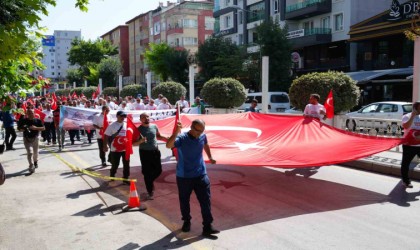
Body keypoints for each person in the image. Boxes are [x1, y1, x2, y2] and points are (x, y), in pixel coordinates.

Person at [166, 119, 219, 237]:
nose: (200, 133)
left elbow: (205, 144)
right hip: (184, 176)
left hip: (201, 174)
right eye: (198, 131)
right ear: (191, 128)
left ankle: (207, 226)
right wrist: (176, 132)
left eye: (202, 131)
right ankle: (186, 221)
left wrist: (210, 157)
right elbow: (168, 145)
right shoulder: (182, 138)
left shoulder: (202, 136)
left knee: (206, 200)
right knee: (184, 201)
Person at [134, 113, 169, 199]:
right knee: (147, 173)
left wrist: (168, 139)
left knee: (158, 170)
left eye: (147, 116)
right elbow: (133, 143)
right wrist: (140, 141)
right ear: (140, 119)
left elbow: (159, 136)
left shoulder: (154, 126)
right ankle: (149, 191)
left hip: (155, 151)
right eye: (144, 117)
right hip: (144, 153)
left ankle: (150, 181)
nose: (146, 118)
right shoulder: (138, 130)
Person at [103, 110, 130, 184]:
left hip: (125, 148)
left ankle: (125, 178)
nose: (123, 117)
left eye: (124, 116)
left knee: (126, 164)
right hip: (115, 149)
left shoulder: (126, 124)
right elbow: (106, 136)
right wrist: (105, 146)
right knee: (115, 164)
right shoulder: (112, 125)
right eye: (121, 116)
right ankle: (112, 174)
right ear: (117, 116)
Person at [17, 108, 45, 173]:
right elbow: (19, 128)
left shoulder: (37, 120)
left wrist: (36, 128)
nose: (31, 114)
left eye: (32, 113)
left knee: (35, 152)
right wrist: (21, 129)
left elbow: (43, 128)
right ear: (26, 114)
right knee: (30, 152)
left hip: (35, 138)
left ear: (34, 113)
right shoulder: (23, 120)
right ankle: (31, 165)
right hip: (26, 138)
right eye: (29, 113)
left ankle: (35, 161)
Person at [400, 101, 420, 188]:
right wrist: (412, 116)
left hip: (419, 144)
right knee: (406, 163)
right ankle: (406, 181)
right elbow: (406, 126)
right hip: (409, 145)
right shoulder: (406, 116)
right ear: (415, 108)